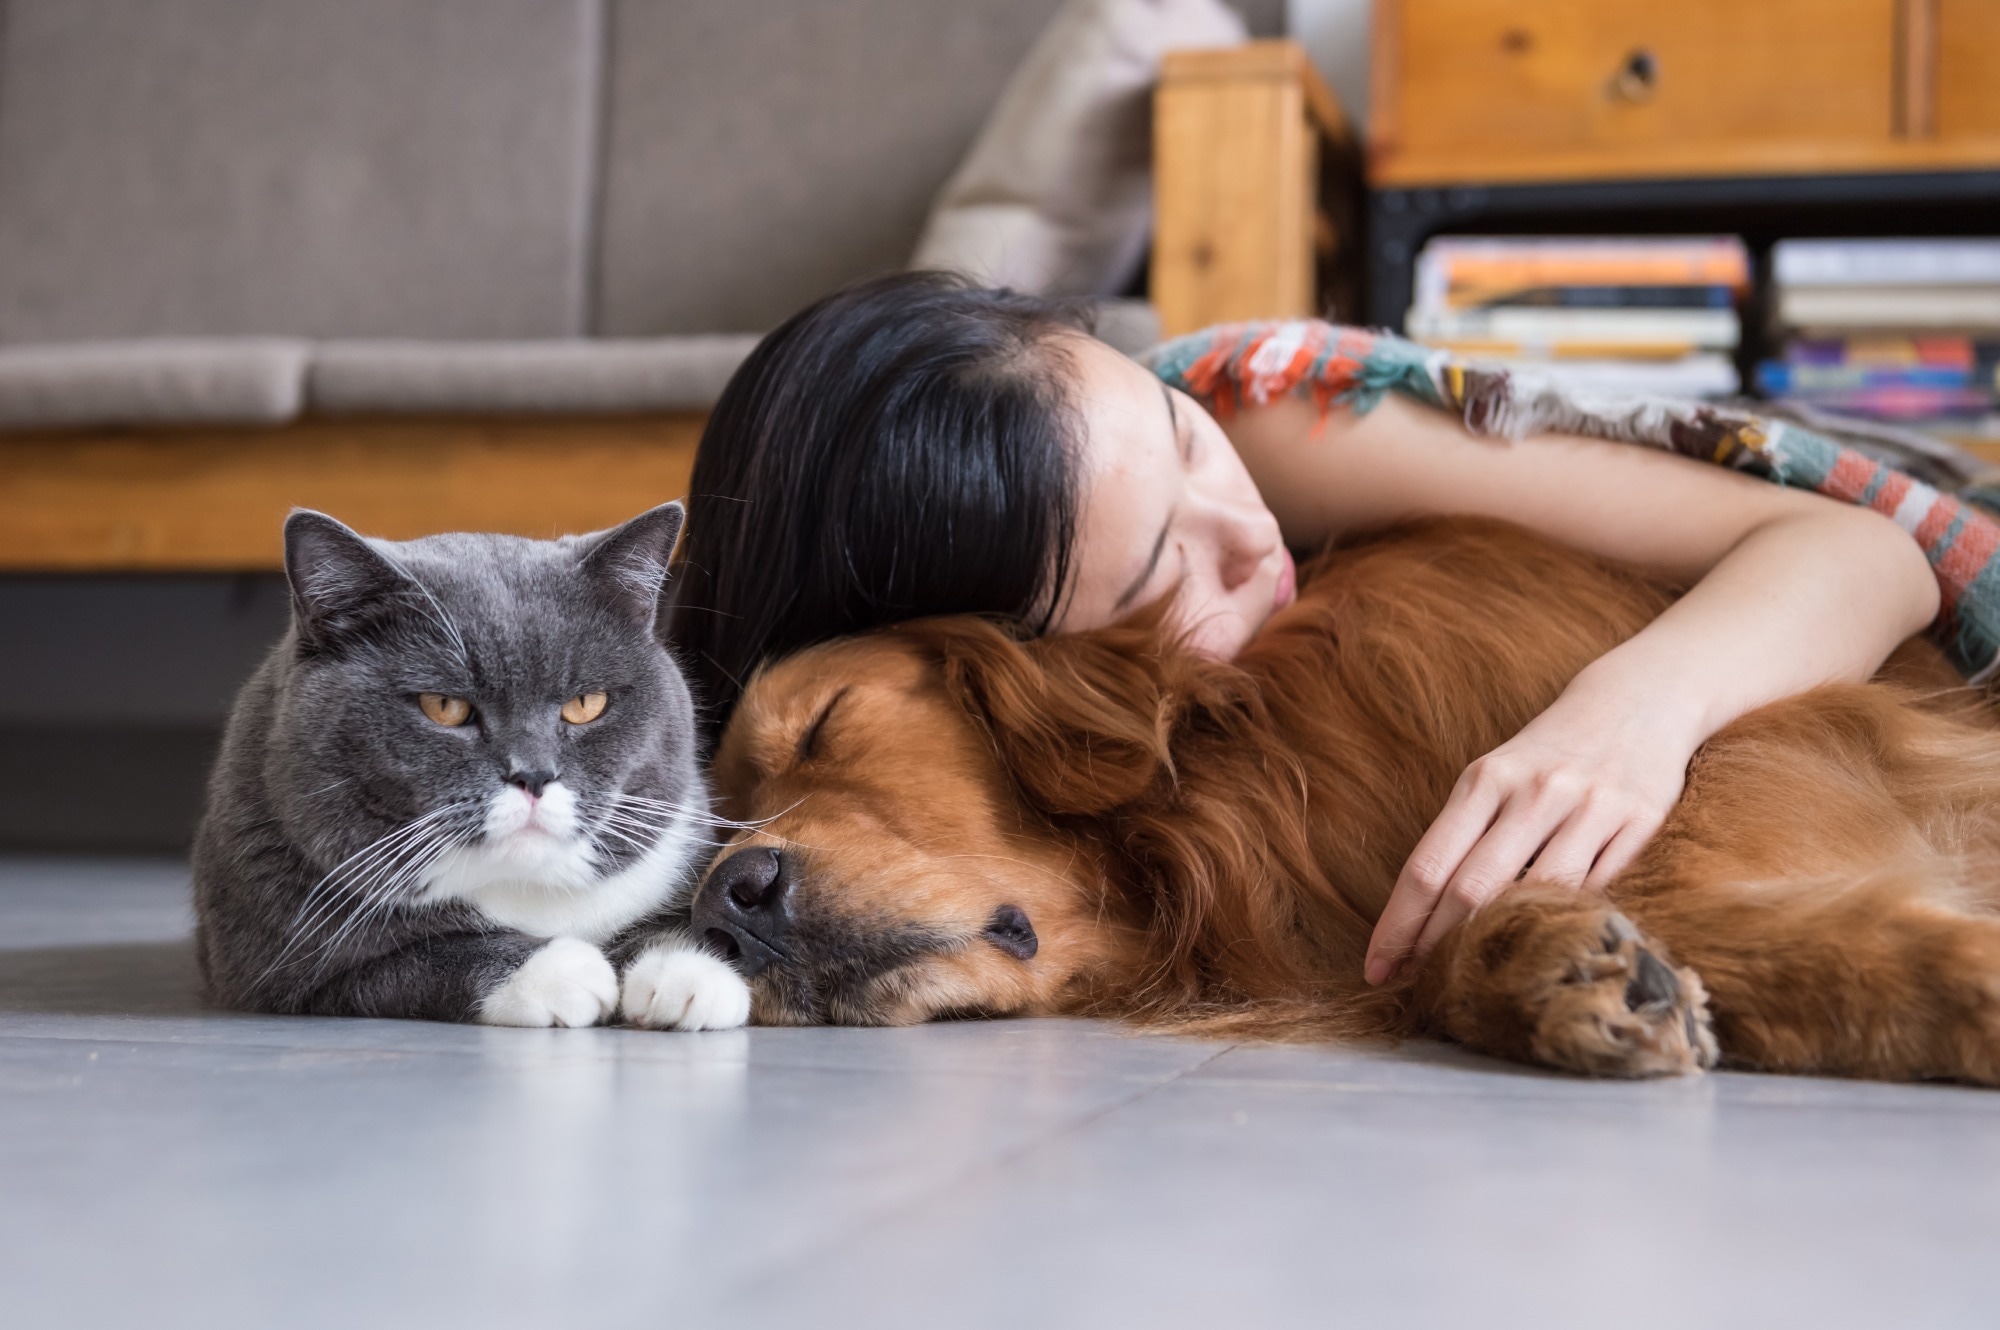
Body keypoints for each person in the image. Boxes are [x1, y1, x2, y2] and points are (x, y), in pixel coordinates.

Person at [670, 271, 1939, 989]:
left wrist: (1638, 708)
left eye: (1177, 442)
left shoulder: (1273, 428)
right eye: (1152, 579)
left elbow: (1869, 549)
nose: (1241, 537)